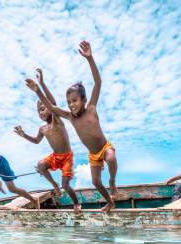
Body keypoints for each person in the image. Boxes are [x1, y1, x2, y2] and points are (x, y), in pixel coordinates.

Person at [25, 41, 118, 212]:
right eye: (68, 102)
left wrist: (90, 58)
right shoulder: (70, 117)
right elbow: (52, 107)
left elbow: (98, 82)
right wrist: (37, 91)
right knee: (96, 182)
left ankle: (112, 181)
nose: (71, 105)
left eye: (74, 101)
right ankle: (110, 202)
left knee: (111, 158)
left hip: (105, 147)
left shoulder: (91, 108)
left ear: (83, 100)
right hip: (93, 155)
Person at [15, 68, 81, 213]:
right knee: (41, 165)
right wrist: (23, 134)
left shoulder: (56, 120)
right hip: (55, 156)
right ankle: (55, 186)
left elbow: (51, 102)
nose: (41, 112)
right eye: (38, 111)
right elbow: (36, 141)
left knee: (66, 185)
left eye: (43, 109)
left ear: (50, 109)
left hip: (67, 157)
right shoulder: (43, 129)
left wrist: (41, 85)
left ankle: (76, 203)